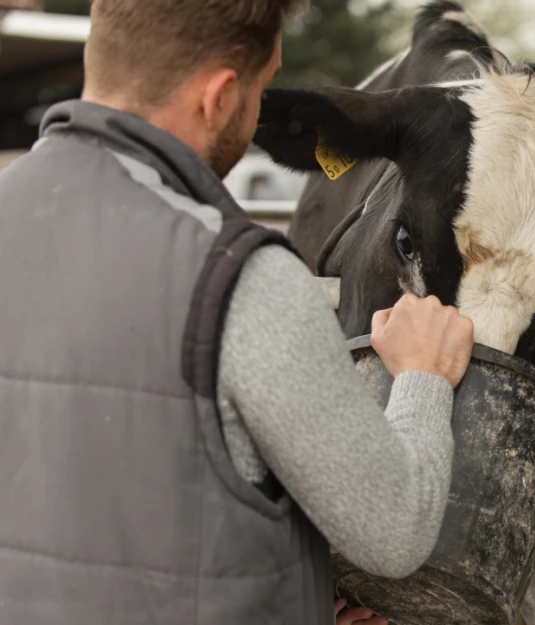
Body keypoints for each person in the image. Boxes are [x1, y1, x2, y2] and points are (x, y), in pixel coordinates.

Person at [0, 1, 474, 624]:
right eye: (262, 85)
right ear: (220, 95)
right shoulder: (241, 277)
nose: (259, 111)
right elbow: (394, 531)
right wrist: (424, 376)